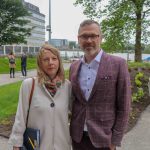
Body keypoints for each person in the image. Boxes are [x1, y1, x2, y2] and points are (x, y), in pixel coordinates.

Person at [69, 19, 131, 150]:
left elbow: (124, 106)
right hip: (78, 138)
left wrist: (115, 140)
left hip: (105, 140)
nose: (89, 40)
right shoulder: (74, 67)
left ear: (101, 38)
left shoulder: (118, 64)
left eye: (93, 36)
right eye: (84, 36)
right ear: (78, 39)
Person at [8, 44, 72, 150]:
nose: (50, 62)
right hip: (37, 146)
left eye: (54, 58)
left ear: (59, 62)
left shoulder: (67, 86)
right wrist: (17, 144)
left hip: (62, 145)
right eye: (46, 59)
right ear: (40, 63)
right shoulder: (29, 84)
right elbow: (21, 117)